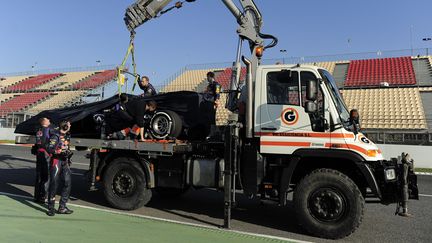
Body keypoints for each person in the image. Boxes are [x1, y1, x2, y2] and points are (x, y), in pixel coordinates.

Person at [46, 120, 73, 216]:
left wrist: (68, 153)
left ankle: (62, 207)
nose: (70, 126)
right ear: (65, 126)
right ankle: (51, 207)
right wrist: (58, 151)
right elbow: (49, 148)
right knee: (54, 184)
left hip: (65, 162)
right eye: (69, 125)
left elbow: (66, 147)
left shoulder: (67, 135)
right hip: (56, 161)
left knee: (67, 182)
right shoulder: (55, 135)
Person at [33, 117, 55, 203]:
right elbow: (48, 143)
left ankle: (37, 196)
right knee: (46, 176)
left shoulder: (38, 130)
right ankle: (43, 196)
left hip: (39, 153)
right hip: (45, 154)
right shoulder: (48, 129)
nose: (50, 120)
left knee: (39, 175)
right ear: (45, 121)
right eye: (48, 119)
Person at [203, 72, 221, 138]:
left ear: (210, 77)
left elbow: (217, 93)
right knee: (208, 119)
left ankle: (213, 133)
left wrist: (216, 102)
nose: (207, 78)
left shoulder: (216, 85)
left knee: (212, 119)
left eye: (207, 77)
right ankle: (211, 132)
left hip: (211, 103)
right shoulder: (209, 85)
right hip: (207, 103)